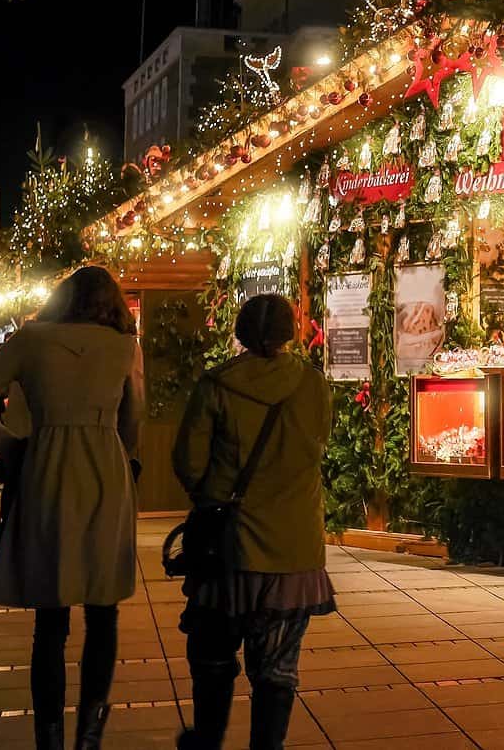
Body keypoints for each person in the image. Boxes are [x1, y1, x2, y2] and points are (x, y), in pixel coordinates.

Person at [0, 267, 144, 750]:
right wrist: (123, 458)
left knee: (50, 619)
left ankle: (49, 737)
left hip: (47, 472)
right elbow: (133, 420)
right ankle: (90, 736)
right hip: (106, 473)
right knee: (103, 612)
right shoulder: (126, 346)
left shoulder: (30, 339)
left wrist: (14, 448)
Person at [173, 294, 333, 750]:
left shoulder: (217, 385)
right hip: (294, 551)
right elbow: (317, 442)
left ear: (241, 331)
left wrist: (211, 497)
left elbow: (187, 461)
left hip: (229, 549)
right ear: (289, 331)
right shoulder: (313, 385)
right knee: (277, 667)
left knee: (213, 656)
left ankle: (208, 740)